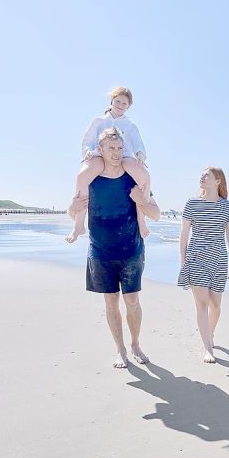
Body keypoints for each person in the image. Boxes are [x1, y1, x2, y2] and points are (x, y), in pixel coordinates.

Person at [68, 128, 161, 368]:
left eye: (120, 148)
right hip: (100, 250)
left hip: (131, 249)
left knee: (132, 301)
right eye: (111, 148)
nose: (117, 153)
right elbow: (73, 211)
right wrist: (72, 207)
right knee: (111, 303)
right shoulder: (91, 179)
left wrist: (141, 200)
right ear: (100, 150)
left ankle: (135, 343)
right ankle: (120, 350)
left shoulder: (134, 178)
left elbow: (156, 214)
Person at [67, 86, 152, 243]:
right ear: (111, 101)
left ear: (129, 106)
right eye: (117, 101)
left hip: (124, 157)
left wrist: (140, 153)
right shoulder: (99, 121)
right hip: (99, 155)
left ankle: (141, 220)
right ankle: (78, 225)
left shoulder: (130, 125)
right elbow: (87, 140)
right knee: (82, 176)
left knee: (144, 176)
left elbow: (138, 143)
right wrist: (87, 152)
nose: (120, 105)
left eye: (124, 103)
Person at [177, 167, 229, 363]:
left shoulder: (227, 206)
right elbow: (184, 234)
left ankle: (209, 334)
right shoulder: (192, 204)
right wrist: (183, 261)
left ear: (218, 181)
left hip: (219, 259)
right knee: (202, 305)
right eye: (201, 175)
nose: (202, 177)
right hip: (196, 259)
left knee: (216, 305)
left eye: (207, 175)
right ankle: (208, 349)